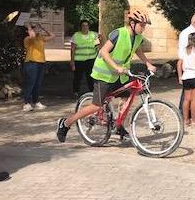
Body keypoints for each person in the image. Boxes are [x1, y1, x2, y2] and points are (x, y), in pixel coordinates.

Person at [56, 8, 157, 142]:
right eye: (142, 25)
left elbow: (137, 49)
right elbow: (103, 52)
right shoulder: (118, 34)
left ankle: (118, 125)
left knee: (129, 95)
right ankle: (66, 123)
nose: (143, 28)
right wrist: (116, 67)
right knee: (96, 106)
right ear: (132, 23)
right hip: (104, 75)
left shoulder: (138, 37)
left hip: (121, 76)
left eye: (144, 26)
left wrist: (148, 63)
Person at [178, 12, 195, 120]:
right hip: (194, 70)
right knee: (192, 99)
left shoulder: (192, 33)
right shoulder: (190, 35)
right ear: (194, 22)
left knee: (187, 98)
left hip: (187, 72)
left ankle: (187, 117)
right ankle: (191, 118)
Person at [22, 22, 54, 111]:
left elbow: (52, 35)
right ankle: (26, 103)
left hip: (41, 63)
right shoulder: (28, 38)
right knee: (30, 83)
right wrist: (28, 26)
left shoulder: (41, 38)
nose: (37, 29)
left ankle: (36, 102)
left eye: (38, 28)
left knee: (38, 83)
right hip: (31, 63)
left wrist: (43, 28)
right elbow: (32, 36)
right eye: (35, 28)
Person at [70, 20, 100, 97]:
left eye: (86, 25)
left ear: (88, 26)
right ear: (81, 27)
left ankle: (92, 92)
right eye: (83, 25)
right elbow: (73, 49)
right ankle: (75, 92)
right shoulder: (76, 35)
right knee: (77, 77)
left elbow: (97, 47)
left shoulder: (94, 35)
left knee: (91, 77)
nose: (85, 27)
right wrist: (72, 61)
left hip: (90, 60)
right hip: (79, 60)